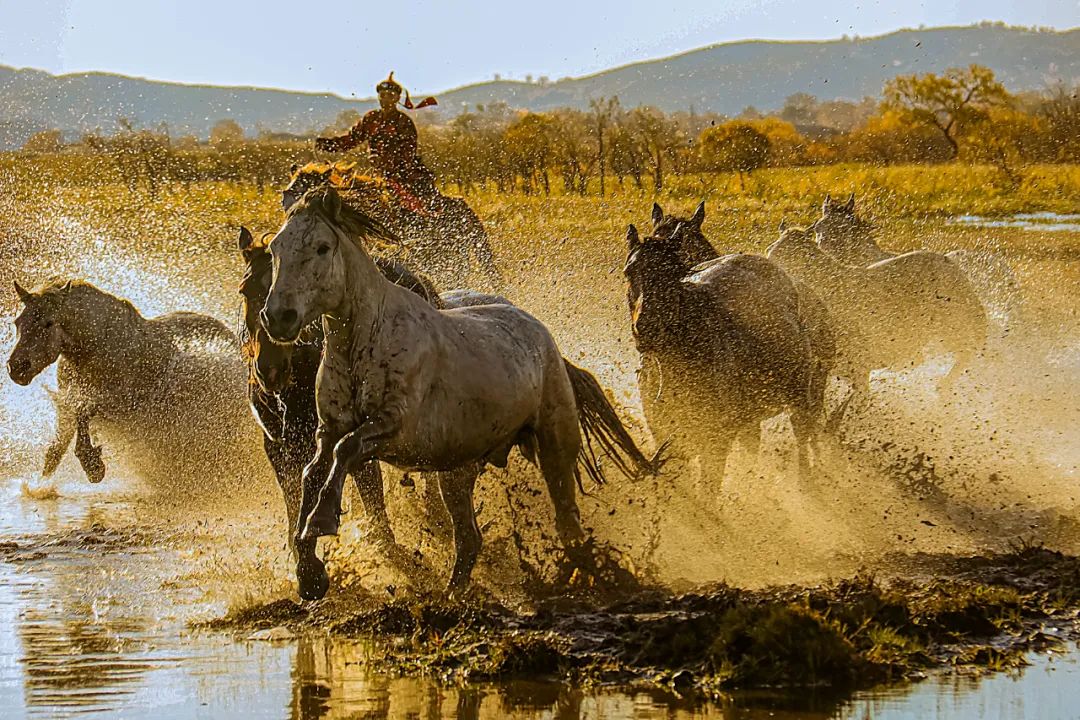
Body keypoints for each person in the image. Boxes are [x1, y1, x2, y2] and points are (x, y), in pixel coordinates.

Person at [315, 73, 439, 210]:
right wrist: (328, 145)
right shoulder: (371, 118)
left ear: (397, 98)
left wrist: (385, 161)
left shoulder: (404, 122)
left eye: (390, 96)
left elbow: (407, 154)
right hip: (378, 175)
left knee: (416, 207)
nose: (385, 99)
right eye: (382, 95)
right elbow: (352, 139)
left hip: (404, 176)